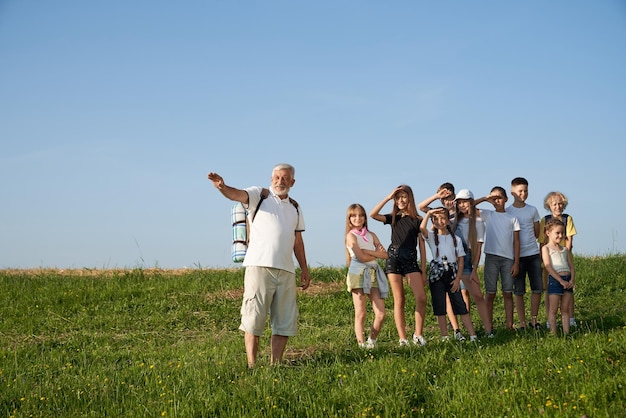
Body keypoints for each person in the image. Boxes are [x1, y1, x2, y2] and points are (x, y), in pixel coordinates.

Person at [207, 164, 311, 368]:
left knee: (283, 322)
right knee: (253, 318)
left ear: (292, 182)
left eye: (285, 178)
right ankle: (252, 365)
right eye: (277, 177)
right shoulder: (259, 195)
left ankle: (276, 365)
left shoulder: (295, 207)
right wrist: (222, 187)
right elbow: (237, 195)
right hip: (259, 266)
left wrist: (305, 269)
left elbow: (297, 241)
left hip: (287, 270)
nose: (280, 181)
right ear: (271, 178)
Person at [370, 185, 428, 346]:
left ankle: (418, 334)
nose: (401, 200)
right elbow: (373, 214)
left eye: (404, 196)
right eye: (398, 197)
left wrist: (423, 271)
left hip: (410, 259)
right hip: (394, 258)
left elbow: (422, 247)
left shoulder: (418, 220)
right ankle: (403, 338)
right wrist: (388, 197)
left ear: (410, 198)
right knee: (399, 299)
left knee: (421, 298)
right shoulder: (393, 217)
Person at [420, 207, 478, 342]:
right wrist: (429, 213)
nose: (440, 221)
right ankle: (445, 336)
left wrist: (458, 279)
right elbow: (422, 228)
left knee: (461, 306)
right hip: (437, 274)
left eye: (442, 218)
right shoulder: (431, 237)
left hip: (452, 273)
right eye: (436, 219)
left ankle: (473, 335)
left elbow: (461, 261)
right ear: (433, 221)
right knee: (440, 307)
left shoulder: (455, 239)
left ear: (448, 220)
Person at [418, 182, 463, 336]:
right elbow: (421, 207)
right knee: (447, 296)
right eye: (444, 198)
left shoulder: (458, 210)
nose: (447, 201)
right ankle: (455, 328)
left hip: (458, 254)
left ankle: (463, 326)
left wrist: (455, 203)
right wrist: (438, 196)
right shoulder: (438, 213)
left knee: (463, 293)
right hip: (442, 259)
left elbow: (471, 205)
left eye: (449, 197)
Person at [475, 187, 520, 337]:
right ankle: (489, 327)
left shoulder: (512, 218)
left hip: (508, 259)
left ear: (506, 199)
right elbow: (469, 207)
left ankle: (510, 326)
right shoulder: (488, 214)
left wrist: (516, 262)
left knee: (508, 293)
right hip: (491, 258)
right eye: (494, 199)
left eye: (499, 197)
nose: (497, 201)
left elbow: (516, 242)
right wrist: (486, 197)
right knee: (490, 293)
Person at [345, 204, 389, 349]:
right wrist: (373, 253)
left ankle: (372, 341)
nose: (358, 218)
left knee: (381, 313)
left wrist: (367, 251)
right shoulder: (351, 236)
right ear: (349, 219)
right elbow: (361, 257)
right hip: (358, 274)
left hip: (374, 273)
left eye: (361, 215)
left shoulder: (372, 235)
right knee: (361, 312)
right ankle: (361, 344)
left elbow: (385, 255)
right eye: (354, 216)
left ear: (364, 218)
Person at [506, 177, 542, 330]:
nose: (523, 194)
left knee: (537, 289)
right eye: (520, 191)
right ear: (512, 192)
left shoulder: (532, 210)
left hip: (533, 254)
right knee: (518, 291)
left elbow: (536, 231)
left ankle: (534, 320)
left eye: (525, 191)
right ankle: (522, 323)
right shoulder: (508, 211)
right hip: (517, 257)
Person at [453, 189, 491, 332]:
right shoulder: (453, 221)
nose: (462, 205)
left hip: (468, 260)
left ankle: (488, 330)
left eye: (465, 202)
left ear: (471, 203)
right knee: (455, 298)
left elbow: (478, 248)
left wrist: (474, 270)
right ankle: (459, 330)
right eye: (460, 202)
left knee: (478, 296)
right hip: (452, 261)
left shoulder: (478, 222)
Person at [538, 191, 578, 329]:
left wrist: (565, 254)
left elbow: (569, 240)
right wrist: (542, 259)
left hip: (564, 259)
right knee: (549, 291)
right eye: (554, 204)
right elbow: (542, 241)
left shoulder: (567, 219)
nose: (557, 206)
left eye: (560, 204)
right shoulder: (545, 220)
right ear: (549, 205)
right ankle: (551, 320)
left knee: (568, 291)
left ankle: (571, 318)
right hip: (549, 260)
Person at [541, 218, 575, 335]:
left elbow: (571, 266)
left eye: (562, 233)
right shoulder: (546, 248)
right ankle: (553, 333)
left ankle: (566, 333)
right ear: (548, 233)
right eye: (557, 233)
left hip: (567, 280)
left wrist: (571, 280)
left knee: (565, 309)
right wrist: (560, 280)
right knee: (553, 309)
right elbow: (548, 266)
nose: (560, 236)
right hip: (555, 280)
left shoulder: (565, 250)